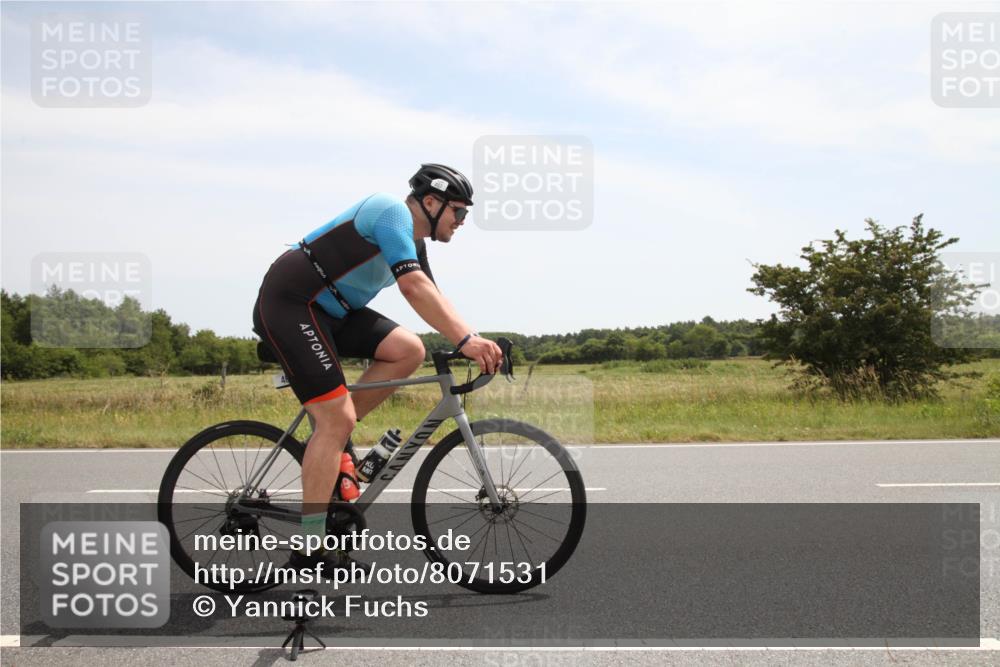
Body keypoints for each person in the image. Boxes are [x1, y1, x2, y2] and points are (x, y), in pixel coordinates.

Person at [252, 163, 504, 572]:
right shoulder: (391, 213)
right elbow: (412, 287)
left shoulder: (414, 243)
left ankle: (333, 445)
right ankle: (311, 548)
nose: (461, 221)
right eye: (459, 211)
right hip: (293, 303)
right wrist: (466, 342)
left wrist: (471, 337)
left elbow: (434, 297)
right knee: (335, 419)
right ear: (431, 202)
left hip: (332, 311)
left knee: (408, 350)